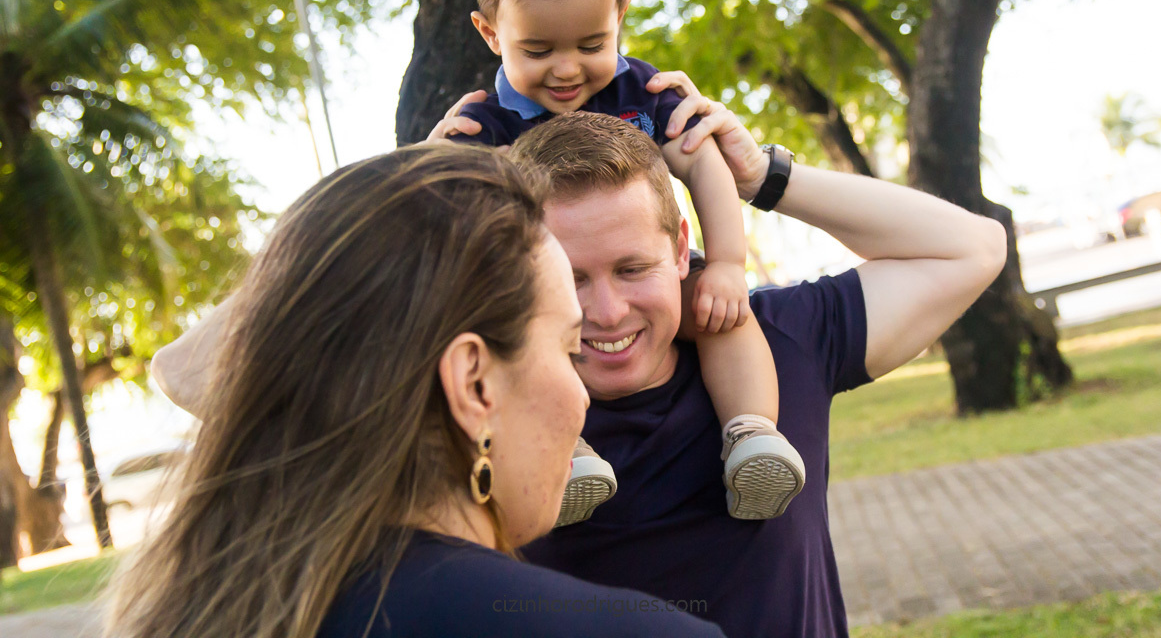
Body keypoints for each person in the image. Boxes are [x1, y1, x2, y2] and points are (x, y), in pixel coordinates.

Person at [104, 145, 724, 638]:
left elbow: (195, 367)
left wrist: (411, 203)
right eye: (566, 349)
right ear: (473, 383)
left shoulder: (223, 606)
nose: (582, 399)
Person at [482, 104, 1004, 638]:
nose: (609, 311)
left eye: (632, 269)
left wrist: (762, 176)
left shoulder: (770, 339)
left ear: (681, 249)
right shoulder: (476, 407)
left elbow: (974, 248)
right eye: (572, 279)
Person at [445, 0, 804, 527]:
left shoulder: (643, 90)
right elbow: (440, 225)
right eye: (538, 51)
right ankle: (567, 454)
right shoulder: (485, 127)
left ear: (620, 14)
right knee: (511, 347)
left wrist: (726, 263)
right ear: (491, 33)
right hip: (531, 294)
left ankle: (752, 435)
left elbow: (703, 163)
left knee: (721, 312)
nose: (567, 70)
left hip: (637, 273)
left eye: (591, 44)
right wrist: (430, 164)